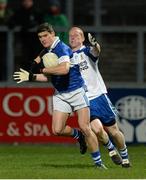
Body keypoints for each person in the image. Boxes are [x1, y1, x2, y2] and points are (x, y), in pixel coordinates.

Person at [13, 22, 107, 169]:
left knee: (85, 126)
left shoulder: (62, 48)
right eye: (40, 37)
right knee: (57, 130)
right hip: (61, 94)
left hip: (76, 91)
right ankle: (79, 136)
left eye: (45, 35)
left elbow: (64, 70)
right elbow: (50, 76)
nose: (43, 39)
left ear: (52, 34)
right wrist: (30, 77)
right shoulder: (47, 50)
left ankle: (98, 163)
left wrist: (42, 69)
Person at [68, 27, 131, 168]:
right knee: (96, 130)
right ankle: (110, 148)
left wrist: (96, 44)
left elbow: (96, 51)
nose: (72, 38)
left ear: (82, 38)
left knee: (113, 130)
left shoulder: (86, 51)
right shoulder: (67, 57)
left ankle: (125, 156)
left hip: (99, 96)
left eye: (76, 35)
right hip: (83, 100)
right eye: (70, 36)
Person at [8, 0, 43, 69]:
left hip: (35, 41)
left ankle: (35, 76)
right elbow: (12, 21)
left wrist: (33, 25)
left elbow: (42, 23)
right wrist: (12, 23)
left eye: (29, 1)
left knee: (35, 59)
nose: (27, 2)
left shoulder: (37, 12)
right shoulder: (18, 12)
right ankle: (25, 76)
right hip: (22, 40)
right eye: (25, 1)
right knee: (24, 59)